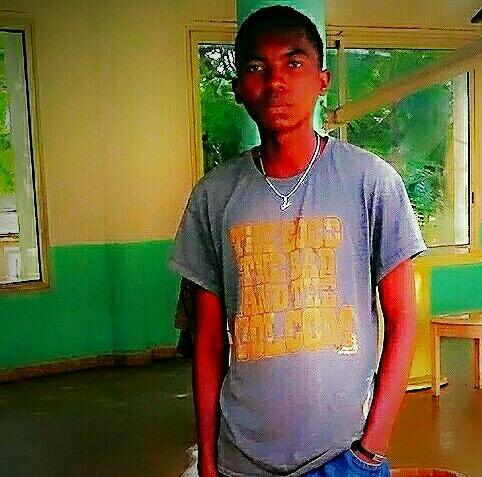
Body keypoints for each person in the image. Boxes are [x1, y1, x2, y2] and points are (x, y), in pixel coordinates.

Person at [170, 5, 426, 477]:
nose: (276, 82)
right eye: (257, 67)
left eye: (293, 63)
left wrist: (371, 449)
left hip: (344, 458)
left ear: (322, 80)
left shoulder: (371, 182)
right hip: (240, 462)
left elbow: (403, 318)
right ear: (238, 88)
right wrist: (207, 459)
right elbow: (207, 341)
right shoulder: (214, 196)